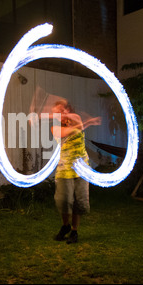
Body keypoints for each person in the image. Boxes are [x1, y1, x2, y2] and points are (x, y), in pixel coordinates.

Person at [50, 99, 101, 244]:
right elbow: (69, 131)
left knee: (79, 203)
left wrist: (85, 122)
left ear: (68, 109)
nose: (61, 113)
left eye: (63, 109)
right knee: (64, 201)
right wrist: (89, 122)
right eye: (57, 112)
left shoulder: (77, 118)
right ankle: (65, 226)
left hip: (82, 168)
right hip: (65, 169)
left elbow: (77, 125)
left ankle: (74, 231)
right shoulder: (55, 128)